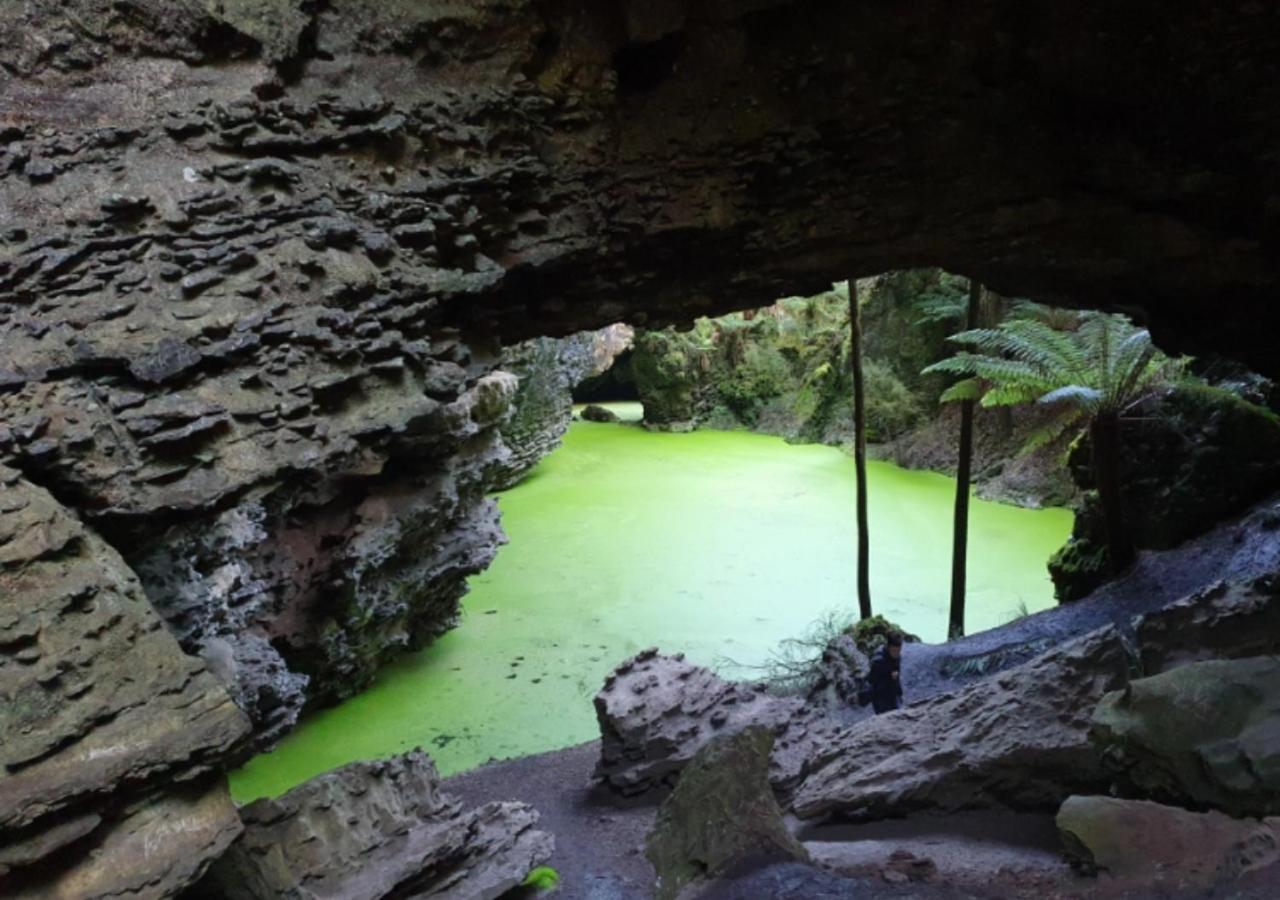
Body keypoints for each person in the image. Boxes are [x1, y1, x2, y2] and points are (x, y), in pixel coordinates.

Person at [865, 632, 904, 714]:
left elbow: (896, 676)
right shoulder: (878, 661)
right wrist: (889, 676)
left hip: (893, 695)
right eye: (894, 651)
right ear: (888, 647)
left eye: (899, 651)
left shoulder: (897, 657)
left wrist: (899, 693)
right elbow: (872, 682)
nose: (896, 654)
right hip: (880, 698)